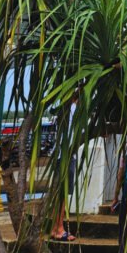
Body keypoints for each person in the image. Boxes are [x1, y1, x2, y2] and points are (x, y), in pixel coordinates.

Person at [51, 92, 78, 241]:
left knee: (59, 194)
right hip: (67, 156)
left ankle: (56, 228)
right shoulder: (73, 110)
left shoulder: (63, 111)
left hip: (61, 154)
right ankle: (59, 228)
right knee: (62, 194)